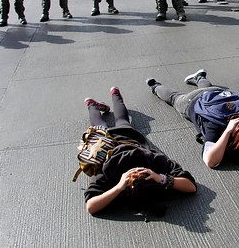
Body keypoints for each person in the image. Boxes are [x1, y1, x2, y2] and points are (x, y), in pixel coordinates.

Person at [82, 87, 197, 215]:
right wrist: (160, 178)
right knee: (104, 124)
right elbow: (190, 186)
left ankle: (109, 96)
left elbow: (91, 206)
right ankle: (93, 103)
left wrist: (119, 187)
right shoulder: (150, 159)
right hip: (111, 144)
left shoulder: (113, 167)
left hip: (122, 140)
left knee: (119, 121)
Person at [147, 69, 239, 168]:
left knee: (208, 89)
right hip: (193, 101)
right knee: (175, 98)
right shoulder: (215, 126)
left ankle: (199, 78)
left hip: (218, 95)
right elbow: (210, 161)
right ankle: (155, 86)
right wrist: (227, 132)